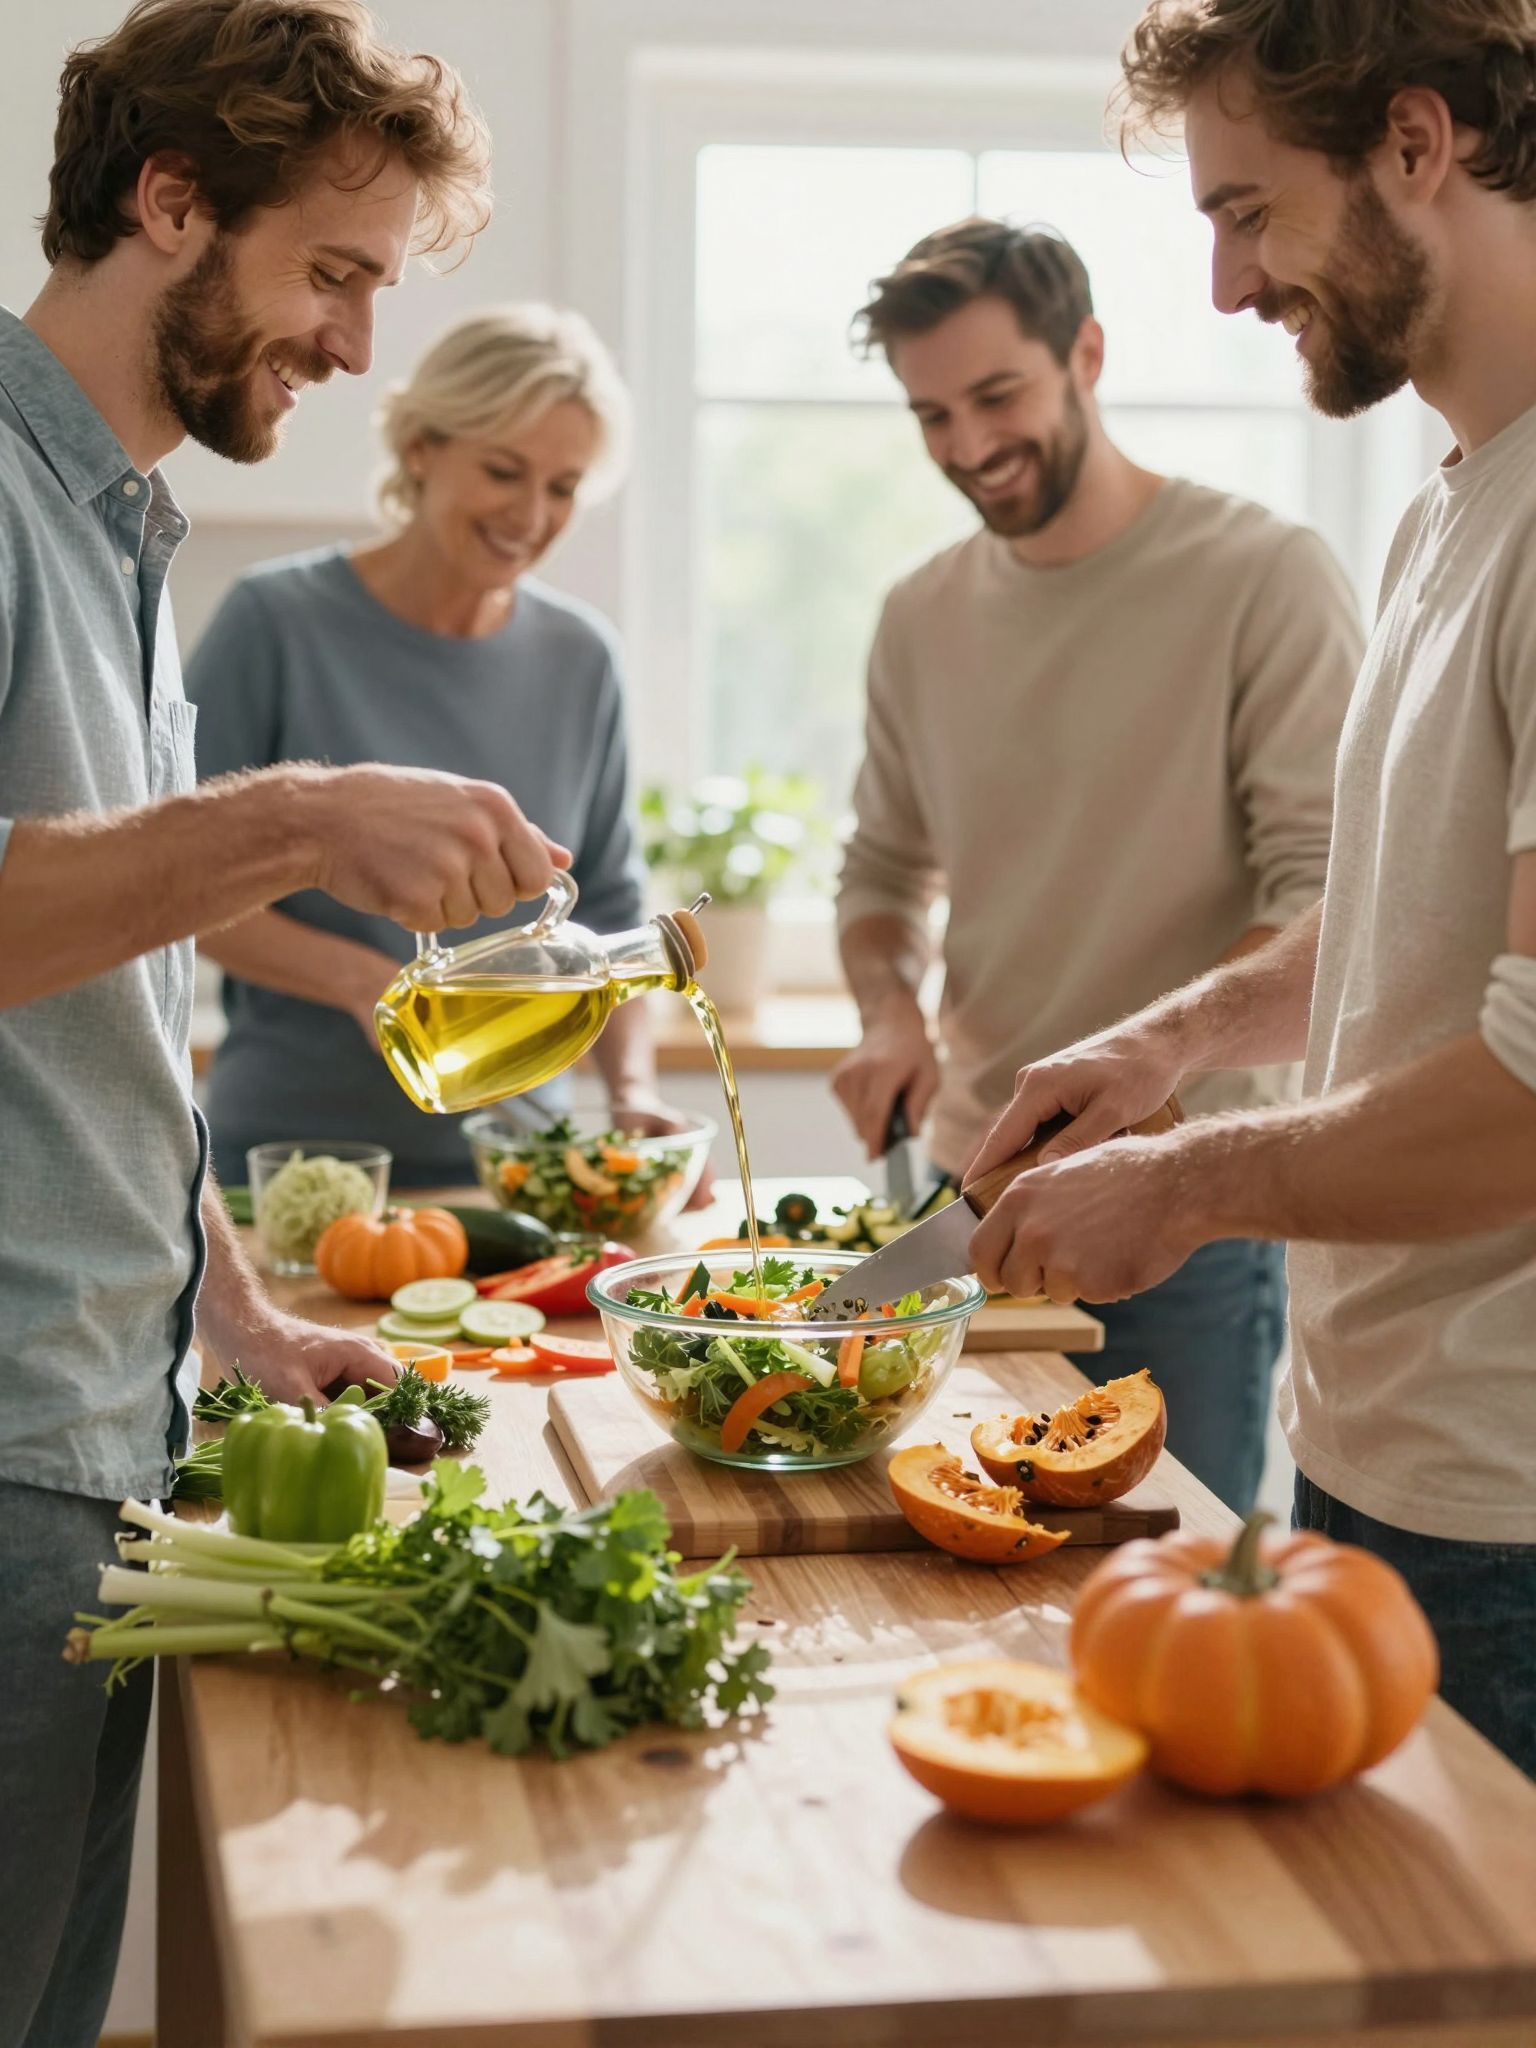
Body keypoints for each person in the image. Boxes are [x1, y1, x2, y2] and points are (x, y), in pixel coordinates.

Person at [0, 5, 569, 2039]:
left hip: (97, 1421)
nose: (351, 346)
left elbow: (100, 1005)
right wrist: (306, 814)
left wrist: (226, 1299)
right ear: (170, 201)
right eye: (333, 272)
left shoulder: (120, 536)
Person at [967, 0, 1536, 1778]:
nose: (1224, 286)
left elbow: (1531, 1094)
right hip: (1385, 1453)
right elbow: (1401, 921)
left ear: (1416, 147)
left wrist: (1192, 1183)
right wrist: (1173, 1039)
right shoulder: (1453, 505)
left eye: (1247, 211)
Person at [832, 215, 1361, 1513]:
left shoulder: (1264, 578)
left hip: (1182, 1213)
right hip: (973, 1198)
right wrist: (890, 1010)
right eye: (932, 414)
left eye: (998, 394)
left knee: (1165, 1566)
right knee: (956, 1564)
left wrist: (1143, 1074)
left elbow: (1335, 899)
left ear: (1088, 353)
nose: (968, 447)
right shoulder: (920, 616)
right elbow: (881, 875)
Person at [189, 305, 704, 1189]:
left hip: (515, 1167)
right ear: (422, 447)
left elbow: (612, 902)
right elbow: (186, 882)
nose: (532, 514)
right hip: (288, 1162)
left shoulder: (582, 659)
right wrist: (368, 983)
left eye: (564, 487)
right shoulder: (275, 622)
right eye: (504, 470)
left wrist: (629, 1092)